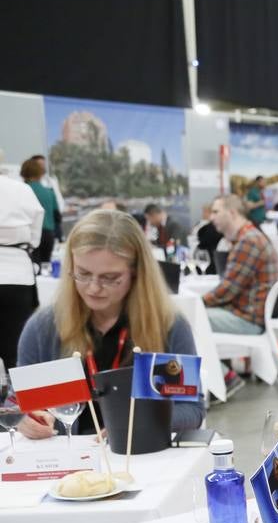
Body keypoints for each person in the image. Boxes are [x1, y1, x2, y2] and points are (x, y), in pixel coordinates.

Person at [16, 209, 205, 437]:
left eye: (110, 278)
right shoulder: (44, 327)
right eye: (83, 274)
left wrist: (140, 421)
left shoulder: (167, 325)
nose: (94, 288)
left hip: (140, 454)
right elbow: (22, 405)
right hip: (68, 455)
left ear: (136, 273)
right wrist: (25, 419)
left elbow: (192, 410)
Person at [201, 194, 278, 345]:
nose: (211, 217)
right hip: (249, 315)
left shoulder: (248, 241)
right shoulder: (249, 237)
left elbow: (227, 289)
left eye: (216, 212)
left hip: (248, 320)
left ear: (232, 213)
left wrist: (197, 303)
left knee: (186, 318)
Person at [0, 174, 43, 368]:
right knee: (17, 347)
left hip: (19, 270)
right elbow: (36, 233)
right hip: (18, 274)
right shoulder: (22, 189)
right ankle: (17, 385)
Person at [19, 157, 58, 266]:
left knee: (31, 268)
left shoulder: (22, 190)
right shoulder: (49, 192)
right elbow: (57, 216)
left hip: (30, 236)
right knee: (45, 268)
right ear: (40, 173)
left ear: (23, 172)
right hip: (48, 235)